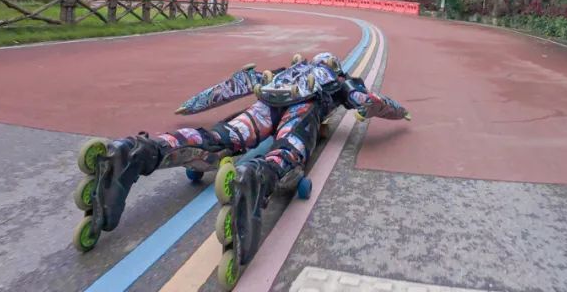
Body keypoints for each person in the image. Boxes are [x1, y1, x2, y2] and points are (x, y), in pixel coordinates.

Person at [74, 51, 410, 270]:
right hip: (304, 107)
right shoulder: (338, 81)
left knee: (224, 136)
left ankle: (137, 150)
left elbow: (235, 86)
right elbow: (370, 100)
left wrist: (191, 106)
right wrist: (400, 112)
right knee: (288, 151)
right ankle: (255, 175)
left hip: (265, 104)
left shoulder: (288, 70)